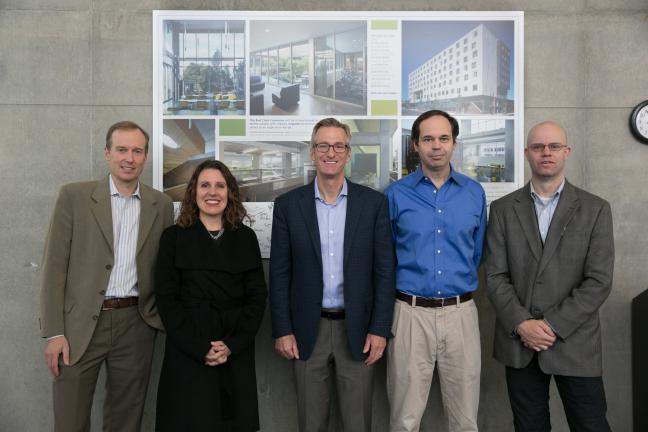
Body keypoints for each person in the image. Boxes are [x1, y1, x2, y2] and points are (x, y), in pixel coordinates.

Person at [39, 121, 175, 431]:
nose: (129, 158)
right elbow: (53, 267)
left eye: (137, 151)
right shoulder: (74, 196)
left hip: (136, 324)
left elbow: (165, 268)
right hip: (78, 327)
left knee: (126, 419)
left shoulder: (161, 205)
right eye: (122, 149)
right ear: (107, 153)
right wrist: (53, 332)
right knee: (70, 420)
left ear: (146, 156)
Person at [485, 121, 614, 431]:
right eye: (538, 147)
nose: (546, 153)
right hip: (520, 343)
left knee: (591, 425)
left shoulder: (595, 208)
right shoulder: (502, 209)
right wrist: (522, 324)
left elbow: (598, 281)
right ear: (527, 153)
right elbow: (495, 276)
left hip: (576, 342)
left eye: (554, 146)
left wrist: (551, 325)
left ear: (566, 152)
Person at [269, 117, 395, 432]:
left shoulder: (373, 204)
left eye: (339, 145)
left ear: (348, 153)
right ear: (312, 152)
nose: (331, 152)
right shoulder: (288, 205)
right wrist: (283, 330)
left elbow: (384, 271)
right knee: (311, 424)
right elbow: (280, 272)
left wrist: (379, 329)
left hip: (358, 331)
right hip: (305, 332)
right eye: (323, 145)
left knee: (357, 424)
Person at [385, 110, 487, 432]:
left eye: (444, 138)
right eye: (428, 139)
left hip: (461, 314)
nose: (436, 146)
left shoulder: (474, 193)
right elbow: (386, 256)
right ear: (415, 145)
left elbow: (477, 252)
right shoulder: (395, 195)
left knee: (465, 420)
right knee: (404, 419)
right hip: (409, 314)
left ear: (454, 143)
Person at [154, 160, 267, 432]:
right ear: (194, 192)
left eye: (220, 185)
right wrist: (200, 347)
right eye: (205, 185)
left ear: (230, 193)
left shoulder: (246, 238)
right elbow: (167, 299)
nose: (212, 192)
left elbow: (256, 297)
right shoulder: (173, 238)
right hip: (188, 351)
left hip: (233, 351)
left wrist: (231, 344)